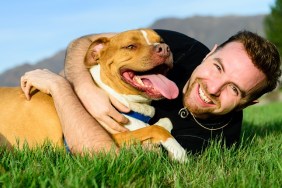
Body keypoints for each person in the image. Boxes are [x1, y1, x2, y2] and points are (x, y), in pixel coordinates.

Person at [21, 29, 281, 155]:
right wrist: (83, 86)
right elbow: (88, 43)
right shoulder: (176, 47)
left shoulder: (216, 141)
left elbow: (96, 151)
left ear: (250, 102)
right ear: (210, 53)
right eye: (217, 66)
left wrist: (60, 86)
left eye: (234, 89)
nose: (212, 88)